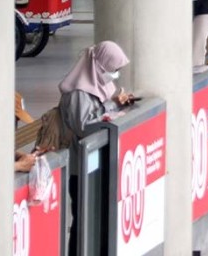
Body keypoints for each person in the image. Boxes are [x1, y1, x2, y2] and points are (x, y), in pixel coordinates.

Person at [58, 41, 134, 255]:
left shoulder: (99, 84)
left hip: (96, 163)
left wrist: (117, 104)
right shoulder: (78, 92)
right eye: (113, 69)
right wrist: (112, 106)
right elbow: (84, 127)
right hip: (80, 168)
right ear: (100, 66)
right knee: (83, 220)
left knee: (98, 218)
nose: (115, 74)